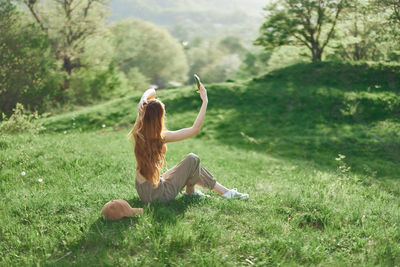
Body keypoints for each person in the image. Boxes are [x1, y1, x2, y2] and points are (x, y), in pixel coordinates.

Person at [128, 83, 249, 204]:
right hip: (159, 195)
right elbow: (195, 129)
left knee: (191, 166)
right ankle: (214, 192)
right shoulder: (160, 137)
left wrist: (142, 100)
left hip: (144, 190)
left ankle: (211, 192)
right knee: (192, 159)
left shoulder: (138, 132)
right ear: (158, 119)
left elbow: (152, 90)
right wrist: (205, 101)